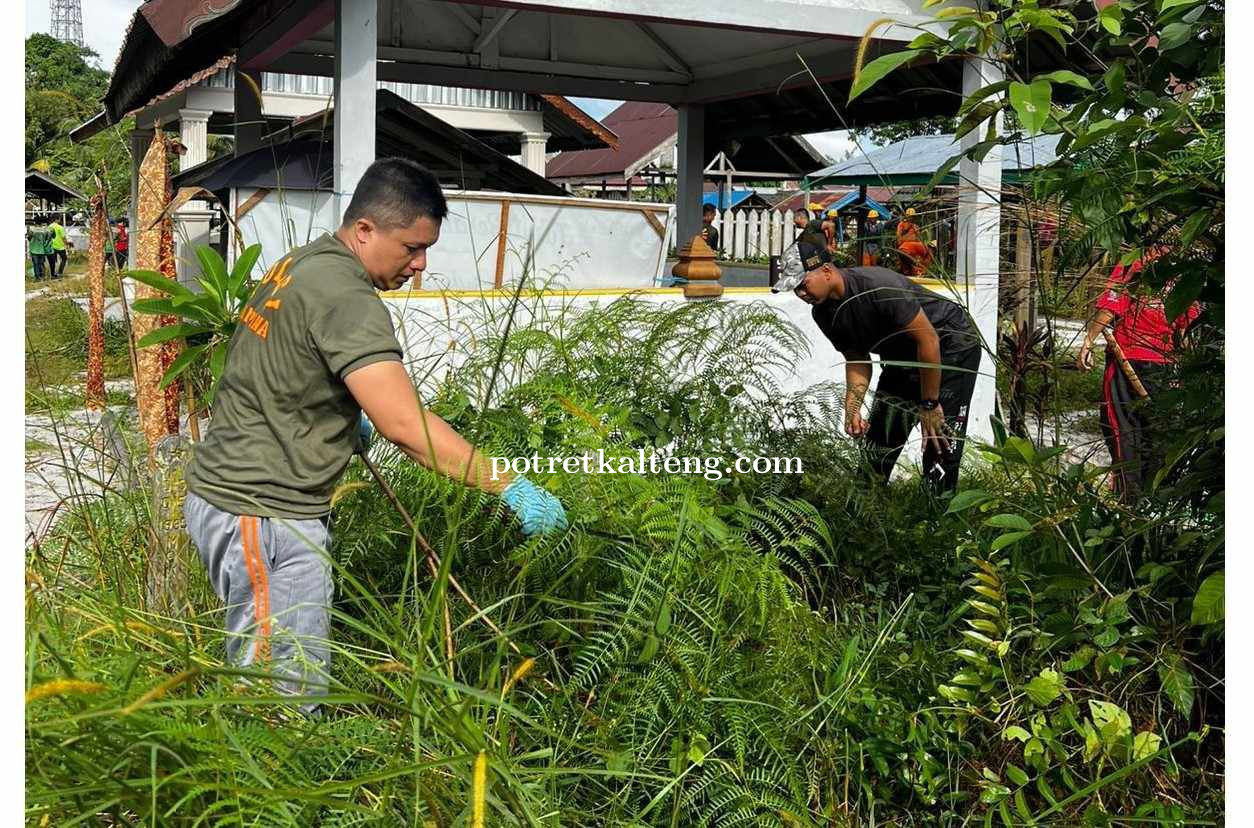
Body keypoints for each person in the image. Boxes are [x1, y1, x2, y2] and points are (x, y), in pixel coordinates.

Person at [183, 158, 568, 711]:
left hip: (237, 501)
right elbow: (406, 427)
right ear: (364, 229)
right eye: (412, 247)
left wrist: (338, 411)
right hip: (263, 511)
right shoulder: (347, 297)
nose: (421, 263)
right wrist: (508, 486)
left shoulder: (303, 263)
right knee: (281, 698)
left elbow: (277, 364)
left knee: (272, 675)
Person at [772, 239, 981, 493]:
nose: (801, 294)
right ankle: (869, 512)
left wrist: (929, 403)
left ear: (826, 271)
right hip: (902, 356)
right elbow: (857, 359)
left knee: (939, 442)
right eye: (795, 289)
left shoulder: (878, 286)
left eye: (802, 285)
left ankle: (938, 508)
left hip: (951, 346)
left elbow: (928, 340)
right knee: (877, 446)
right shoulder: (823, 313)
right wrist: (852, 409)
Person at [1076, 249, 1201, 499]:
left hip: (1128, 361)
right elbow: (1187, 328)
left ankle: (1129, 499)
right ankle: (1152, 498)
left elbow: (1111, 305)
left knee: (1123, 429)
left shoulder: (1135, 258)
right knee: (1157, 431)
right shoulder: (1188, 265)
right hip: (1164, 366)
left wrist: (1088, 341)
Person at [896, 207, 932, 276]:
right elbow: (899, 236)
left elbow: (918, 237)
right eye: (910, 216)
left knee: (912, 265)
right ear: (906, 216)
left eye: (912, 216)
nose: (911, 218)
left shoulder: (915, 226)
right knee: (905, 265)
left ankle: (913, 275)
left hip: (913, 249)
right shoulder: (902, 224)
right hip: (904, 247)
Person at [26, 215, 54, 281]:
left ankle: (37, 277)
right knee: (41, 263)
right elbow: (47, 239)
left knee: (36, 264)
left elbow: (29, 238)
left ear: (35, 222)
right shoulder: (45, 230)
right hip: (42, 250)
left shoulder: (32, 230)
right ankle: (43, 276)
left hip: (34, 249)